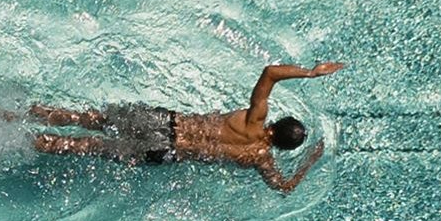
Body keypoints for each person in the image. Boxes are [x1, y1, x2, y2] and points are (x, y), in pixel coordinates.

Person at [30, 60, 342, 191]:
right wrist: (310, 161)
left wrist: (312, 74)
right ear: (282, 146)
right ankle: (25, 142)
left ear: (277, 122)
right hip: (165, 151)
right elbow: (283, 188)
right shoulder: (262, 158)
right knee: (85, 147)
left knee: (89, 120)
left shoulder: (254, 118)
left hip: (167, 122)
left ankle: (20, 114)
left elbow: (271, 72)